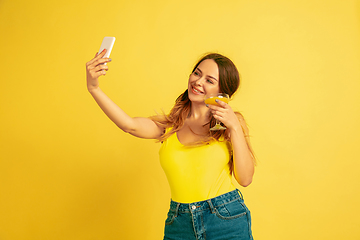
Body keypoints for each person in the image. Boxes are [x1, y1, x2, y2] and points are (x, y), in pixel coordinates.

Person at [86, 49, 255, 240]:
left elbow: (245, 179)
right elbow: (129, 125)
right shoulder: (170, 127)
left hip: (225, 219)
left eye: (209, 80)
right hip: (179, 223)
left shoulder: (231, 125)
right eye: (197, 73)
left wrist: (233, 127)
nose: (198, 82)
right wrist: (94, 88)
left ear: (222, 92)